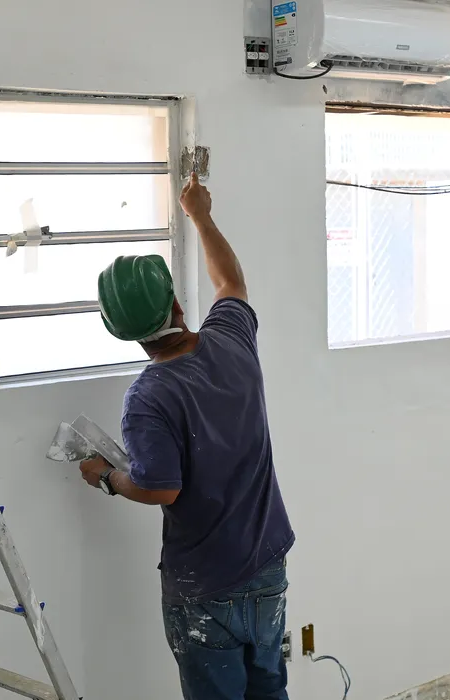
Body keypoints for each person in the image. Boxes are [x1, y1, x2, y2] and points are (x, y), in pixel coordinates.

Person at [79, 173, 295, 700]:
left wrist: (107, 476)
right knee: (269, 690)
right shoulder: (232, 342)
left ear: (121, 333)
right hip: (267, 564)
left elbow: (161, 488)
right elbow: (230, 282)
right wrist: (199, 214)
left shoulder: (148, 396)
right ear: (176, 304)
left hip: (205, 586)